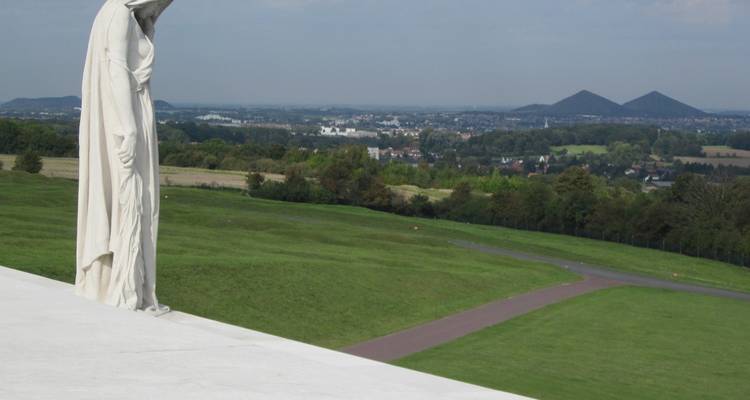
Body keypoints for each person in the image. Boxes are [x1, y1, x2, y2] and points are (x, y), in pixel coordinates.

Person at [76, 0, 173, 313]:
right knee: (131, 199)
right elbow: (117, 68)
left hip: (127, 114)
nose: (159, 10)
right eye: (159, 5)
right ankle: (125, 286)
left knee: (133, 200)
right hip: (127, 119)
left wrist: (147, 27)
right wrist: (128, 129)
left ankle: (127, 282)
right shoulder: (119, 13)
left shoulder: (117, 14)